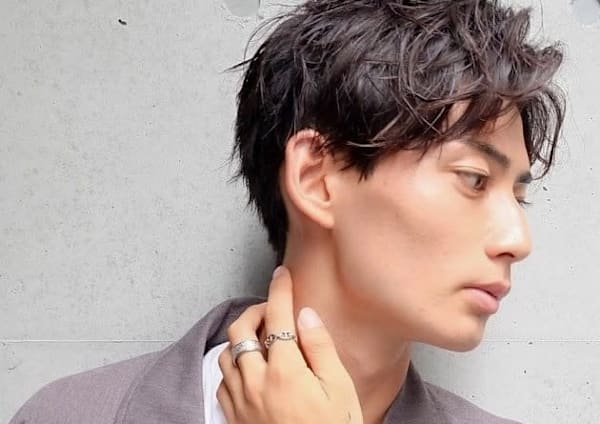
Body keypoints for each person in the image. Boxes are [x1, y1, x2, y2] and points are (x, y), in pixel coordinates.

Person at [9, 0, 565, 423]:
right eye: (473, 179)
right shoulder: (69, 415)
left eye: (519, 196)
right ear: (316, 178)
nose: (518, 239)